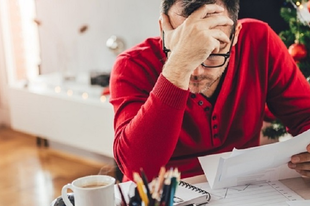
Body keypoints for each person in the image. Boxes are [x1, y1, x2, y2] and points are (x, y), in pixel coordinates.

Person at [109, 0, 310, 181]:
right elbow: (137, 169)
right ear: (163, 29)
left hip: (242, 190)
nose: (195, 71)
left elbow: (305, 117)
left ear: (236, 35)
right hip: (162, 194)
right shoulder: (132, 65)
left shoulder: (259, 41)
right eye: (181, 45)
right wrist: (178, 66)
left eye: (214, 50)